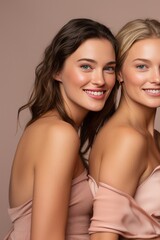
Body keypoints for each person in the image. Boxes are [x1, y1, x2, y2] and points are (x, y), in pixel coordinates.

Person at [5, 18, 118, 240]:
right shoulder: (59, 134)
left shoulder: (46, 127)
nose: (100, 80)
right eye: (86, 66)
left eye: (109, 69)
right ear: (57, 71)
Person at [88, 19, 160, 240]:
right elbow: (103, 236)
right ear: (119, 73)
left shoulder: (157, 139)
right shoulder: (127, 139)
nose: (157, 78)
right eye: (141, 66)